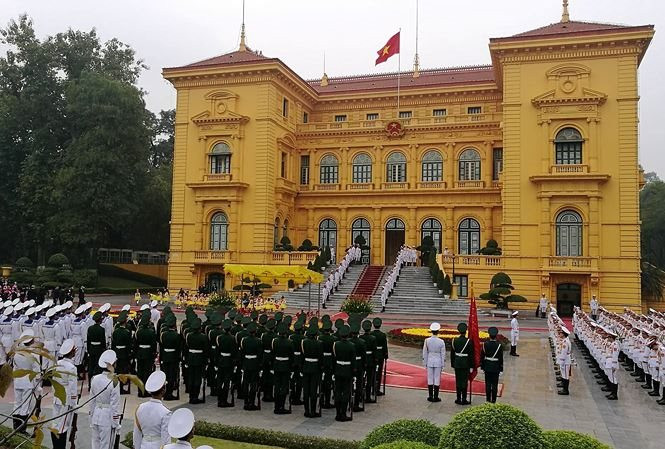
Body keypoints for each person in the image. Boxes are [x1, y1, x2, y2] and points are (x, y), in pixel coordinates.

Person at [51, 339, 79, 449]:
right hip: (66, 400)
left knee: (55, 422)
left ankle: (56, 446)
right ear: (72, 352)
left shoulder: (57, 364)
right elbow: (72, 388)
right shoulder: (72, 368)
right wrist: (74, 404)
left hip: (57, 397)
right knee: (63, 426)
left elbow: (54, 381)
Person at [89, 349, 121, 449]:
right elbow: (114, 405)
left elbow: (92, 400)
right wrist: (116, 423)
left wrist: (91, 417)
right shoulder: (114, 381)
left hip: (96, 415)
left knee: (96, 445)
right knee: (106, 446)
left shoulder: (95, 378)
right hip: (107, 417)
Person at [133, 370, 171, 449]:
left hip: (143, 445)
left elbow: (137, 434)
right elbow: (166, 440)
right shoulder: (166, 413)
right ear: (163, 390)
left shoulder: (140, 408)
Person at [12, 329, 40, 432]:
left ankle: (15, 426)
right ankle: (22, 429)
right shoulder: (33, 353)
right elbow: (36, 371)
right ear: (31, 341)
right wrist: (38, 386)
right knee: (25, 406)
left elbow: (14, 367)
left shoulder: (17, 352)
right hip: (28, 381)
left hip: (18, 380)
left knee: (17, 403)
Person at [333, 324, 355, 421]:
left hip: (338, 370)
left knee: (337, 391)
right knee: (346, 392)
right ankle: (343, 414)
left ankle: (338, 413)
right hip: (347, 370)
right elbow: (353, 361)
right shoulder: (351, 345)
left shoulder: (336, 344)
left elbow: (334, 358)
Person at [301, 322, 323, 417]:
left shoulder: (304, 342)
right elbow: (320, 357)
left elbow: (302, 355)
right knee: (313, 390)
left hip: (306, 366)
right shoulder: (319, 343)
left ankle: (306, 410)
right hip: (315, 367)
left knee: (306, 390)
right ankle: (313, 411)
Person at [185, 318, 208, 404]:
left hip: (191, 358)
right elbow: (205, 350)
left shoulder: (188, 335)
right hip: (199, 358)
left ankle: (191, 396)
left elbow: (187, 347)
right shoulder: (203, 337)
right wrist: (205, 360)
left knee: (191, 377)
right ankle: (195, 396)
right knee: (197, 378)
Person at [272, 322, 294, 414]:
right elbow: (291, 356)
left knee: (277, 386)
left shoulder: (274, 341)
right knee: (284, 386)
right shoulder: (289, 342)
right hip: (285, 366)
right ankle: (281, 406)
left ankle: (276, 407)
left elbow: (273, 353)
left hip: (277, 365)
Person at [240, 322, 262, 410]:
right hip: (254, 363)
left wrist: (242, 364)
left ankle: (246, 402)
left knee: (245, 383)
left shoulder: (244, 340)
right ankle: (252, 402)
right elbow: (260, 354)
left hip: (246, 363)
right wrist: (260, 365)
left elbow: (242, 353)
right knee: (253, 384)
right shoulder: (258, 341)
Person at [216, 318, 237, 408]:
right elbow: (233, 352)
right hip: (228, 361)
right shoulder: (232, 338)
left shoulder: (219, 337)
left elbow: (217, 350)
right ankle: (224, 400)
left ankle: (220, 399)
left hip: (221, 360)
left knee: (220, 381)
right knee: (226, 381)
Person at [135, 312, 157, 397]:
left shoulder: (138, 332)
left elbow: (136, 343)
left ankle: (140, 391)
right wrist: (154, 353)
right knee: (147, 373)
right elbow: (153, 344)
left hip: (140, 353)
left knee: (140, 372)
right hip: (148, 353)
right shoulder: (151, 332)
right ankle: (146, 391)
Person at [423, 322, 446, 402]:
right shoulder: (441, 341)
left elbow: (425, 353)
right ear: (438, 331)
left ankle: (430, 396)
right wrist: (443, 364)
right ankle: (436, 396)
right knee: (437, 378)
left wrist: (425, 363)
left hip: (429, 360)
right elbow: (443, 354)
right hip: (438, 361)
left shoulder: (427, 340)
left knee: (430, 378)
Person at [160, 314, 181, 401]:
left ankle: (165, 392)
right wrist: (178, 358)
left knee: (165, 376)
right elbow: (178, 348)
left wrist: (161, 357)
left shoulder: (163, 334)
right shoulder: (176, 335)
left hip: (165, 357)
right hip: (173, 358)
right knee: (172, 376)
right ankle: (169, 393)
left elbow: (161, 347)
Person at [451, 322, 472, 405]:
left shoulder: (454, 340)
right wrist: (471, 366)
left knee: (458, 381)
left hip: (457, 363)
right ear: (466, 331)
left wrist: (453, 364)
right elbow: (470, 355)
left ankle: (458, 398)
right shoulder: (469, 341)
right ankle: (464, 399)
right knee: (464, 381)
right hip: (466, 363)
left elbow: (452, 354)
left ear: (458, 331)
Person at [112, 311, 133, 394]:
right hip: (124, 353)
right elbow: (128, 345)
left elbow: (113, 344)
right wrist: (129, 354)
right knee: (124, 371)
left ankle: (118, 387)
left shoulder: (115, 332)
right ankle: (122, 387)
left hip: (117, 353)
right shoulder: (126, 332)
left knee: (117, 371)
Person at [480, 326, 503, 403]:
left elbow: (482, 357)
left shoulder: (485, 344)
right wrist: (501, 368)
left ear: (489, 335)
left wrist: (482, 367)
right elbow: (501, 358)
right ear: (496, 335)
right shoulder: (499, 345)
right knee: (494, 384)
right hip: (496, 367)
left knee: (488, 384)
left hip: (487, 366)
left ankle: (487, 399)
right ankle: (493, 400)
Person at [87, 312, 107, 389]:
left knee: (91, 367)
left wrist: (88, 350)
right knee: (98, 368)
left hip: (92, 349)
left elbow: (88, 340)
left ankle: (90, 385)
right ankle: (97, 385)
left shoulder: (90, 328)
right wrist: (104, 349)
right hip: (98, 349)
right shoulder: (101, 329)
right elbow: (103, 341)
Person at [371, 317, 388, 396]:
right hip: (380, 354)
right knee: (379, 372)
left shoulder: (371, 334)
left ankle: (371, 387)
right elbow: (385, 346)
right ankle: (377, 388)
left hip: (372, 355)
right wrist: (386, 354)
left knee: (371, 372)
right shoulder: (382, 335)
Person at [557, 327, 572, 396]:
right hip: (564, 360)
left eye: (561, 333)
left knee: (566, 376)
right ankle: (563, 387)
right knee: (563, 374)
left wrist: (561, 362)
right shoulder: (565, 340)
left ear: (564, 334)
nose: (559, 334)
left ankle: (566, 390)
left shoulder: (565, 342)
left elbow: (564, 353)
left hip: (565, 361)